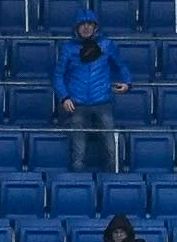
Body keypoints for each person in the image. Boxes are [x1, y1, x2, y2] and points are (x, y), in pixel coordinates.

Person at [52, 17, 130, 173]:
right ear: (77, 28)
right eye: (83, 25)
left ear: (95, 27)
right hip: (78, 103)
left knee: (110, 145)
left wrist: (127, 83)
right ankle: (79, 183)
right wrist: (64, 97)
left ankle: (114, 179)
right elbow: (58, 75)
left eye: (90, 24)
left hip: (102, 101)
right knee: (78, 148)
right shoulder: (68, 48)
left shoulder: (106, 45)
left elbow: (121, 66)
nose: (86, 28)